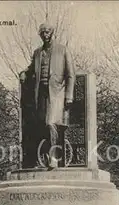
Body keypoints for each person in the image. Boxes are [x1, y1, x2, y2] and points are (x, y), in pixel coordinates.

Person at [19, 22, 75, 169]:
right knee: (41, 126)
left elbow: (70, 75)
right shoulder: (37, 52)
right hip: (41, 94)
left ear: (52, 33)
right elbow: (32, 69)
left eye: (48, 32)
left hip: (57, 94)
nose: (45, 34)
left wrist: (69, 96)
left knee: (51, 124)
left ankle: (54, 157)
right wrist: (24, 73)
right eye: (43, 32)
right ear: (40, 35)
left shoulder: (62, 50)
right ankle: (41, 158)